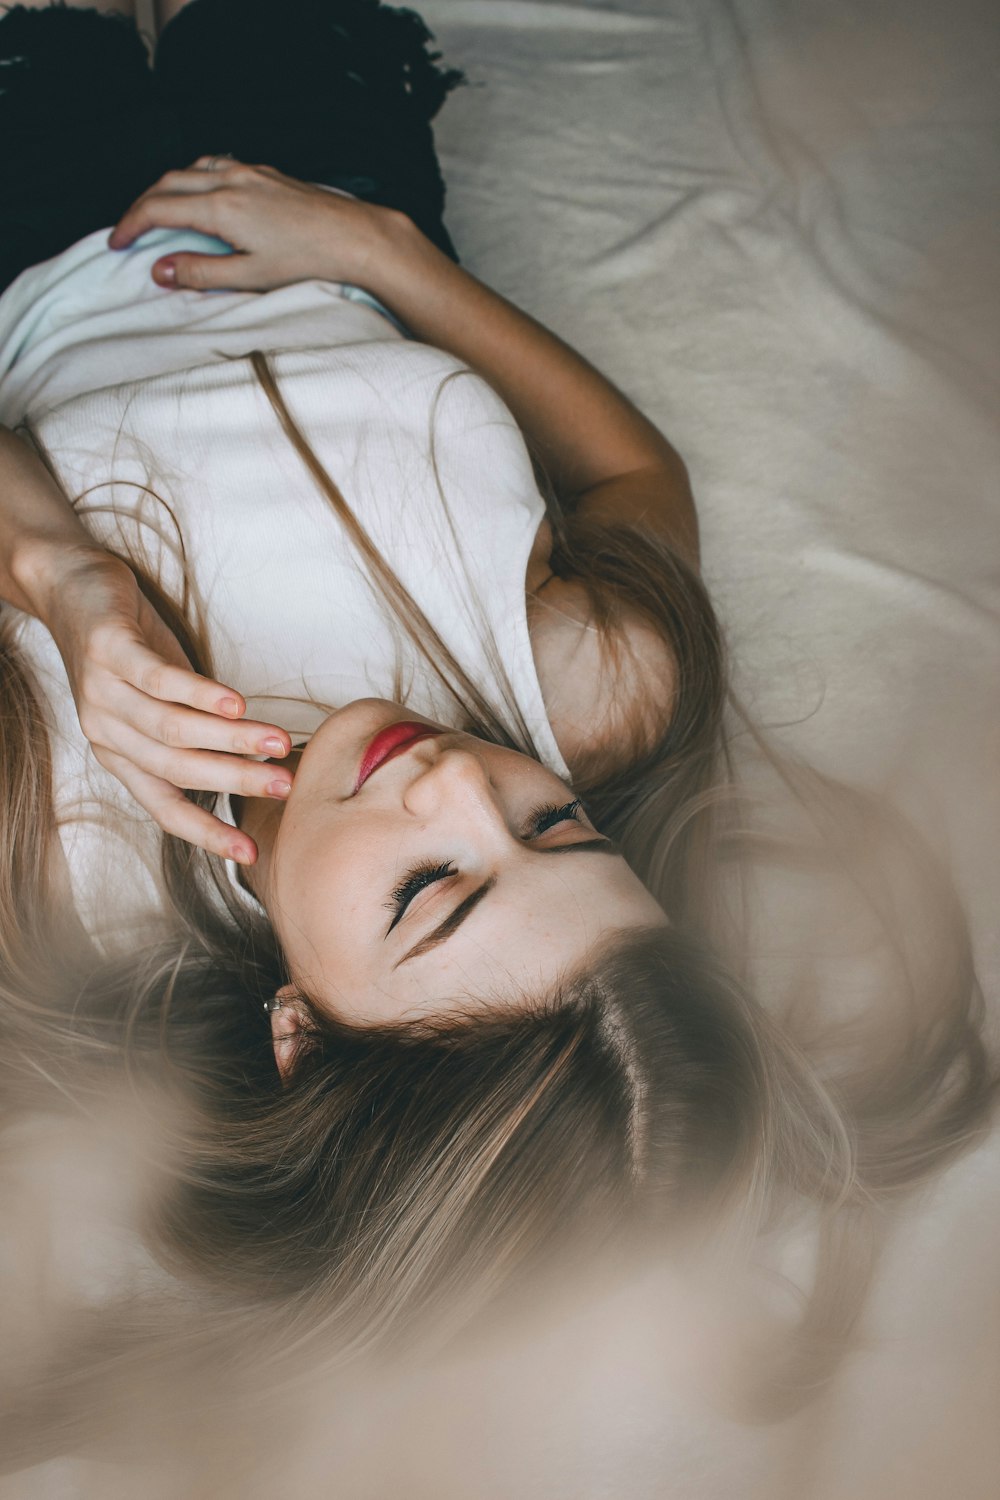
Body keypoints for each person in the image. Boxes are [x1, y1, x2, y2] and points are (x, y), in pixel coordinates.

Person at [0, 0, 992, 1417]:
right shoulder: (587, 696)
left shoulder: (62, 840)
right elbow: (637, 490)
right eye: (560, 830)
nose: (467, 783)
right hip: (330, 200)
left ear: (300, 1033)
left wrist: (66, 580)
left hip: (30, 255)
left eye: (433, 893)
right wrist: (383, 255)